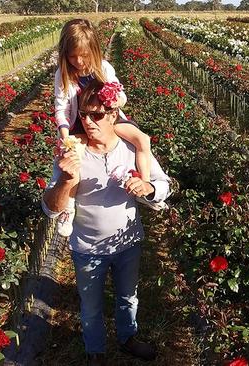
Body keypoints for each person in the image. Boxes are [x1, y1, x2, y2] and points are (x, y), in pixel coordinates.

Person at [42, 79, 171, 365]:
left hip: (127, 243)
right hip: (87, 248)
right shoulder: (71, 154)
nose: (88, 122)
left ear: (114, 114)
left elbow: (164, 184)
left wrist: (149, 188)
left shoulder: (131, 148)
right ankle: (95, 351)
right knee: (90, 307)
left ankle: (127, 338)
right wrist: (64, 181)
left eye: (96, 115)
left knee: (128, 297)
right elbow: (50, 209)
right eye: (83, 115)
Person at [54, 18, 156, 237]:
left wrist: (115, 101)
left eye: (84, 55)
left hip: (108, 119)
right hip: (78, 123)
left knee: (142, 140)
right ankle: (68, 210)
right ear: (64, 54)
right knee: (74, 160)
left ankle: (144, 183)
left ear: (94, 50)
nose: (79, 61)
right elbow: (61, 108)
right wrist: (66, 138)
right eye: (72, 56)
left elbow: (122, 97)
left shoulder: (104, 68)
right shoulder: (63, 74)